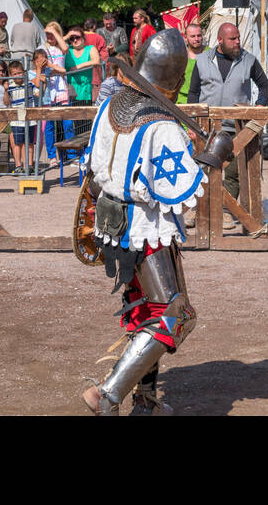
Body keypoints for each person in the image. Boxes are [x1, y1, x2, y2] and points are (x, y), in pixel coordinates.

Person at [80, 29, 205, 415]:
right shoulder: (161, 124)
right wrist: (214, 157)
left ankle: (146, 399)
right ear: (177, 81)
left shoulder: (110, 106)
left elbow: (92, 167)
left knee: (143, 308)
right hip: (145, 227)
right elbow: (179, 188)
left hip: (110, 223)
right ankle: (107, 394)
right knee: (173, 315)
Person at [186, 23, 268, 212]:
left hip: (236, 129)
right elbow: (193, 93)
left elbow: (264, 86)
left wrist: (259, 106)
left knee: (234, 173)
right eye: (232, 39)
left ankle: (224, 212)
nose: (237, 42)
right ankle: (197, 211)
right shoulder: (202, 60)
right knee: (202, 171)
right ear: (220, 40)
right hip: (207, 128)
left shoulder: (248, 60)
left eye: (238, 38)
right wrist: (191, 124)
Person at [6, 60, 36, 174]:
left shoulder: (30, 84)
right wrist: (5, 90)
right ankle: (18, 165)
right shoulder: (10, 87)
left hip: (30, 119)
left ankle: (29, 165)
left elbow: (38, 91)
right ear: (10, 75)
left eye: (20, 73)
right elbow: (6, 102)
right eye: (15, 74)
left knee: (29, 143)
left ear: (23, 72)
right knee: (17, 143)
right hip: (17, 120)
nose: (18, 75)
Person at [62, 25, 100, 107]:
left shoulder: (90, 48)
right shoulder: (67, 49)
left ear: (83, 37)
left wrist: (78, 67)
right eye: (72, 38)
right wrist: (67, 36)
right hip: (69, 89)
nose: (75, 40)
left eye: (77, 37)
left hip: (84, 90)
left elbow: (96, 61)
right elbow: (53, 44)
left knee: (83, 115)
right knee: (69, 114)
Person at [178, 21, 205, 103]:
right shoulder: (180, 56)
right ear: (185, 38)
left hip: (204, 99)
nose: (196, 39)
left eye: (199, 36)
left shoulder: (210, 53)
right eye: (193, 36)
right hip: (182, 100)